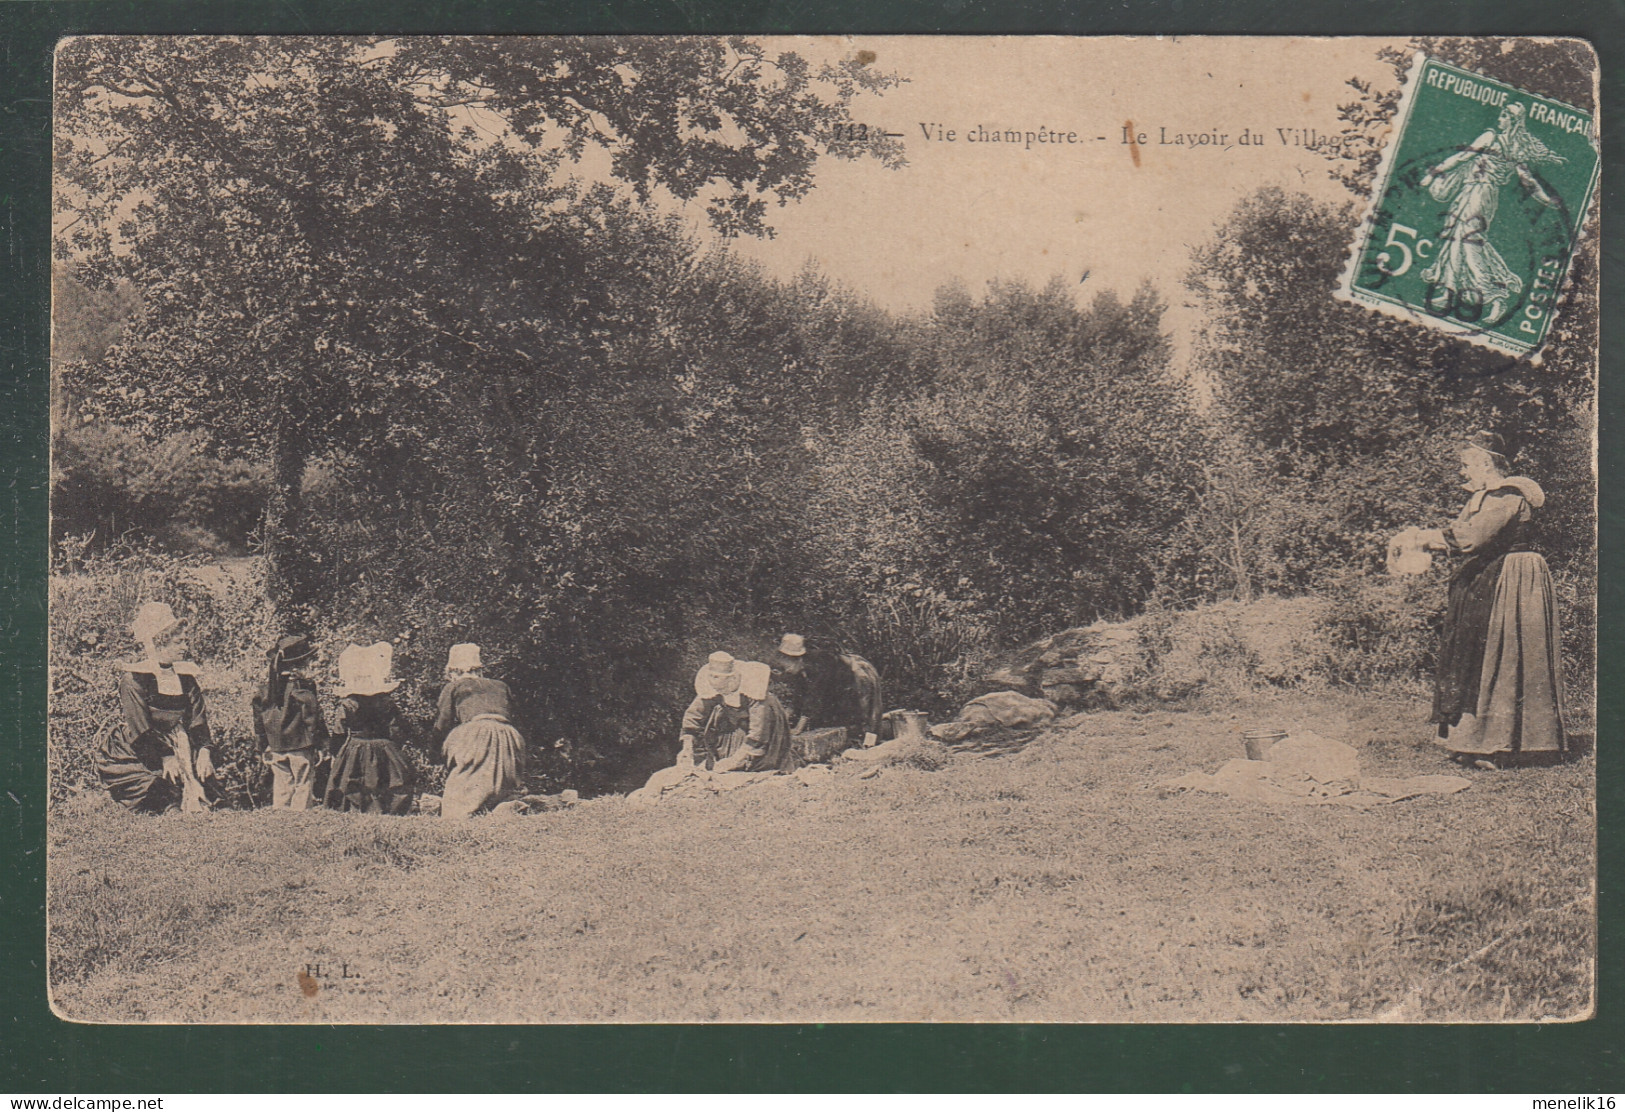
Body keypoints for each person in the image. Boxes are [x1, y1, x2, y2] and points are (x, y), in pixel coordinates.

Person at [1417, 430, 1566, 766]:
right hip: (1490, 577)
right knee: (1478, 653)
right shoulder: (1484, 497)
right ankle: (1471, 740)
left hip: (1514, 578)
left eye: (1466, 464)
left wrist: (1425, 536)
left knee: (1508, 656)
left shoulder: (1507, 495)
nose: (1462, 471)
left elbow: (1471, 537)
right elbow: (1460, 536)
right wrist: (1427, 541)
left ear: (1486, 463)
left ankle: (1504, 745)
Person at [1418, 102, 1565, 323]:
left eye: (1504, 116)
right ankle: (1448, 292)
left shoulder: (1490, 137)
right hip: (1485, 196)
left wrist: (1434, 172)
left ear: (1513, 121)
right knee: (1456, 238)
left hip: (1477, 193)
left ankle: (1494, 297)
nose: (1500, 118)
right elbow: (1528, 182)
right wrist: (1547, 200)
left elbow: (1461, 157)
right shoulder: (1516, 148)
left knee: (1467, 243)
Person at [96, 602, 217, 812]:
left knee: (209, 781)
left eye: (184, 641)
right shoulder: (134, 679)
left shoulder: (186, 678)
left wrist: (205, 749)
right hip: (144, 745)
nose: (185, 647)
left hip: (181, 740)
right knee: (156, 787)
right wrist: (166, 756)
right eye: (179, 642)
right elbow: (140, 726)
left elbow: (198, 718)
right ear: (160, 643)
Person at [434, 643, 526, 818]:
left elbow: (442, 722)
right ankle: (503, 806)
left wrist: (437, 749)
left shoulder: (454, 686)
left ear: (453, 672)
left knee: (463, 782)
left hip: (476, 733)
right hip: (509, 734)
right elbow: (517, 717)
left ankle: (461, 812)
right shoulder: (500, 685)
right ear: (480, 670)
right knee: (501, 779)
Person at [325, 641, 415, 815]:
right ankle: (382, 811)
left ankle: (357, 811)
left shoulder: (348, 704)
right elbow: (397, 729)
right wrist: (395, 747)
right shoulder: (387, 703)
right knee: (387, 780)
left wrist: (336, 753)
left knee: (352, 781)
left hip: (355, 747)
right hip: (384, 746)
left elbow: (339, 731)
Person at [677, 651, 798, 775]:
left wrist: (734, 761)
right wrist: (687, 747)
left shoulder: (754, 690)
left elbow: (759, 733)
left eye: (720, 683)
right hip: (733, 720)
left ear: (733, 678)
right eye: (712, 678)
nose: (718, 690)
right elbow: (694, 715)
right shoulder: (713, 686)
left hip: (764, 726)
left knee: (760, 764)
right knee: (718, 723)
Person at [251, 634, 329, 811]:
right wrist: (321, 744)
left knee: (282, 786)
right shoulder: (303, 688)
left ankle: (282, 823)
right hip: (300, 747)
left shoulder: (264, 690)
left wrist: (263, 746)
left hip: (276, 747)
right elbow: (313, 719)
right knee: (303, 786)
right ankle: (299, 825)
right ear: (300, 664)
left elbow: (258, 723)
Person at [772, 634, 883, 746]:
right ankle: (856, 741)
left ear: (797, 658)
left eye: (787, 667)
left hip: (858, 672)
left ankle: (870, 744)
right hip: (843, 682)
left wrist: (798, 728)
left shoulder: (818, 664)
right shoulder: (802, 669)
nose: (787, 670)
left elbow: (814, 697)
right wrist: (783, 720)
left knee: (867, 710)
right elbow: (798, 697)